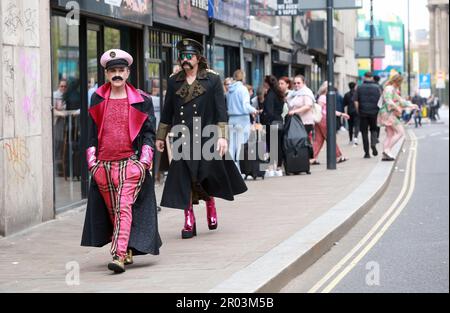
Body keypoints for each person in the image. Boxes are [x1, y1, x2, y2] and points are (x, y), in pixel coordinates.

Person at [155, 39, 247, 239]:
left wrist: (222, 137)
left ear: (198, 57)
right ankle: (189, 218)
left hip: (206, 137)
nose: (185, 60)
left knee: (204, 175)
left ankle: (210, 203)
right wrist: (161, 136)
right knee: (184, 179)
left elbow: (221, 111)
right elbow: (167, 109)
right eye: (182, 57)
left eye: (189, 56)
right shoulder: (173, 80)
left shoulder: (212, 79)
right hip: (182, 137)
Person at [81, 49, 162, 273]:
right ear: (107, 74)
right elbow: (90, 133)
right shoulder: (97, 97)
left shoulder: (142, 100)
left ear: (128, 73)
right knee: (113, 210)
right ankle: (125, 250)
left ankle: (117, 255)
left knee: (124, 206)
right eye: (112, 71)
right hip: (103, 166)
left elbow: (148, 134)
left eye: (121, 70)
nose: (117, 74)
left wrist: (143, 163)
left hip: (130, 163)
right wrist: (92, 164)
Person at [378, 74, 418, 161]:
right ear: (398, 82)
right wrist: (397, 108)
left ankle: (385, 155)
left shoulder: (391, 88)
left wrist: (411, 105)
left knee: (390, 134)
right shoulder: (389, 88)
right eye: (401, 82)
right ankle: (387, 150)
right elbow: (388, 100)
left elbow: (401, 101)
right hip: (388, 113)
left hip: (386, 113)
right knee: (400, 132)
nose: (401, 84)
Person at [226, 69, 258, 172]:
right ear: (243, 77)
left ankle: (230, 169)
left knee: (231, 146)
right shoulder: (243, 89)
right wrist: (254, 110)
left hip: (231, 118)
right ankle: (238, 171)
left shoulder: (229, 90)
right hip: (242, 119)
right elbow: (245, 106)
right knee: (240, 146)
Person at [311, 81, 350, 165]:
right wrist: (341, 114)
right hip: (324, 120)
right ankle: (338, 156)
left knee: (319, 140)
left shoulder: (322, 97)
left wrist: (341, 114)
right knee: (331, 138)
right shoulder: (323, 97)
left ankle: (312, 158)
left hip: (320, 120)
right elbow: (322, 110)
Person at [261, 75, 285, 177]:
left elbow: (269, 112)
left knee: (271, 146)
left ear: (267, 83)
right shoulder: (279, 94)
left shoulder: (270, 95)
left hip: (271, 123)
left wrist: (264, 117)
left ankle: (272, 168)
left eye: (264, 82)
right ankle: (278, 168)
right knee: (278, 145)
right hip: (279, 121)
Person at [354, 72, 382, 159]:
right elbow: (381, 100)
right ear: (372, 78)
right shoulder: (377, 87)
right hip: (374, 112)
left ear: (364, 77)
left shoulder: (359, 87)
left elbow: (356, 101)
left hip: (363, 112)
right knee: (374, 130)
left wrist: (358, 111)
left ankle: (367, 153)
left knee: (364, 132)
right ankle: (373, 144)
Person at [286, 75, 315, 144]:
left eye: (298, 83)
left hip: (305, 122)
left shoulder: (306, 92)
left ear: (303, 83)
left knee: (301, 142)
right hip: (295, 121)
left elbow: (308, 106)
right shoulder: (293, 93)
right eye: (295, 83)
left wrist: (294, 111)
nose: (296, 85)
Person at [344, 82, 359, 146]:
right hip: (356, 111)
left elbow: (344, 104)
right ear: (355, 86)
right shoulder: (357, 94)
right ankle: (355, 138)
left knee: (350, 126)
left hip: (349, 111)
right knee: (356, 125)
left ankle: (350, 139)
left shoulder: (346, 94)